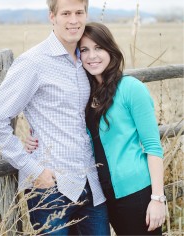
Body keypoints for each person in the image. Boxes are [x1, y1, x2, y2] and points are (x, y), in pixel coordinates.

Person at [0, 0, 110, 235]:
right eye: (66, 13)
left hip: (90, 184)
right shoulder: (33, 62)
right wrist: (33, 169)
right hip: (51, 188)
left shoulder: (84, 60)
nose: (73, 20)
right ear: (52, 17)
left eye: (79, 13)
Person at [26, 22, 166, 235]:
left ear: (110, 50)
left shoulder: (131, 88)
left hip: (136, 193)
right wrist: (34, 140)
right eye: (84, 50)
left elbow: (153, 147)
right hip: (103, 195)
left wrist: (157, 199)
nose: (92, 56)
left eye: (99, 47)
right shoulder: (87, 93)